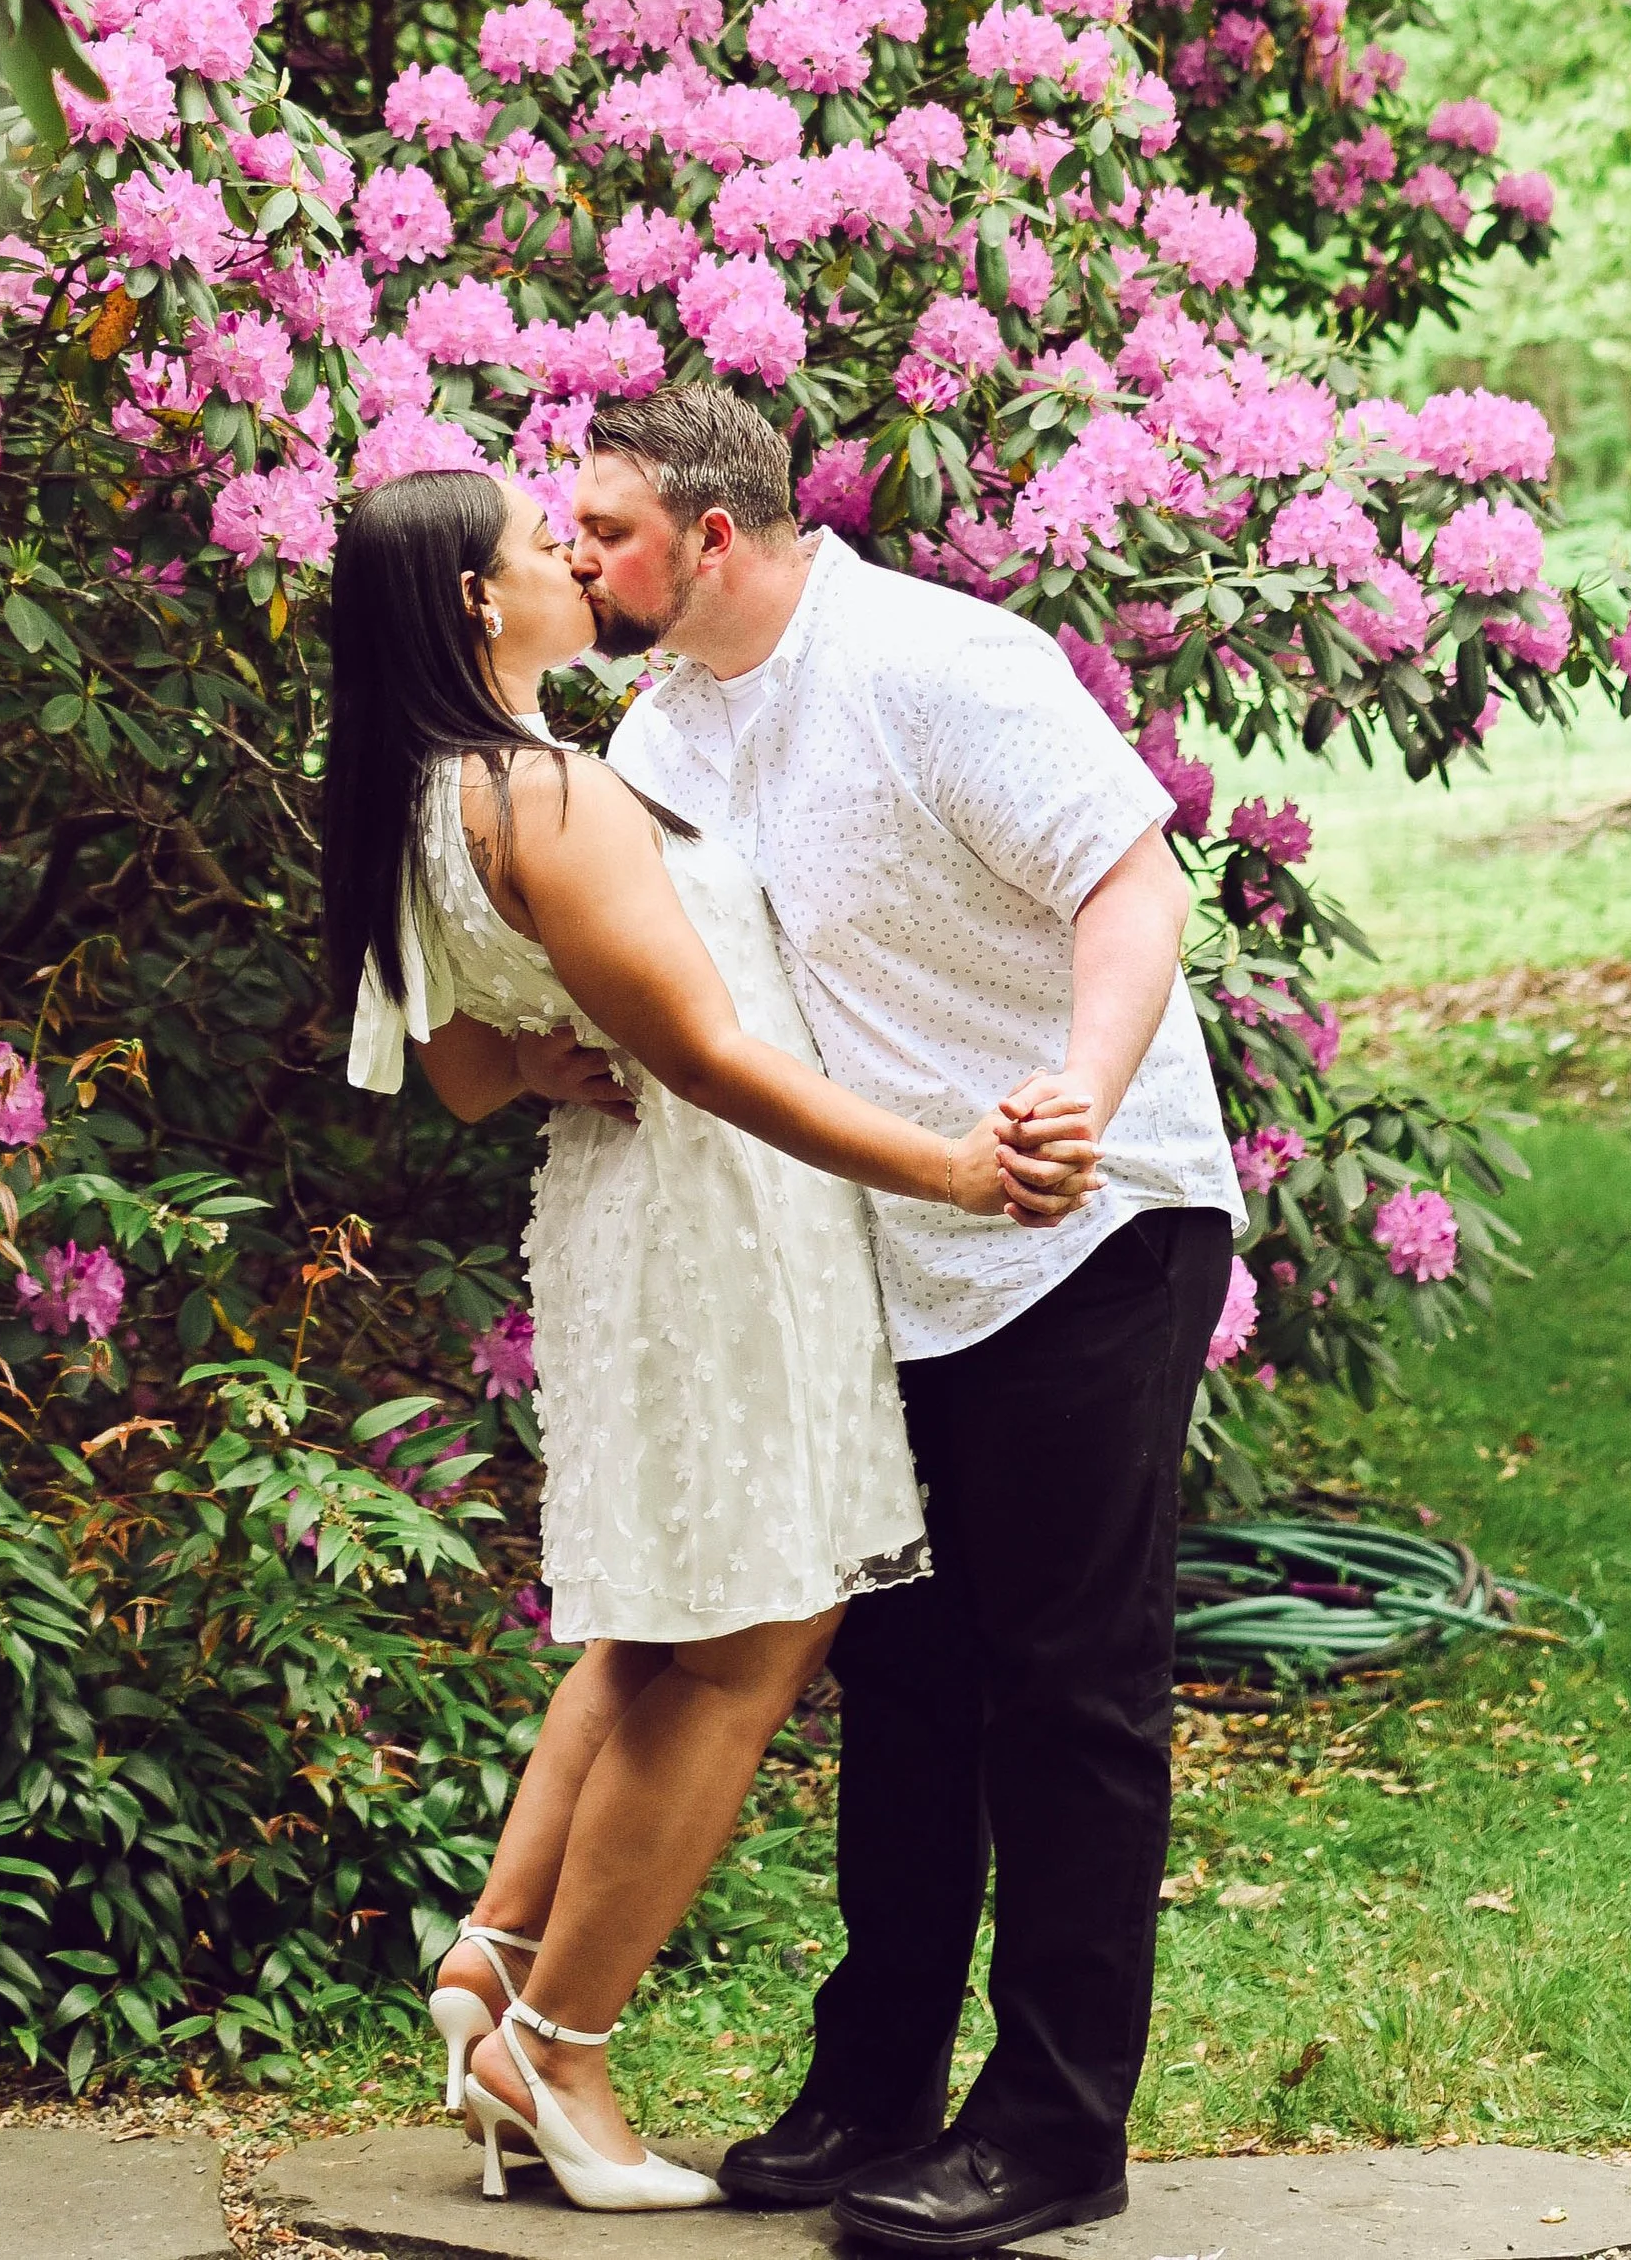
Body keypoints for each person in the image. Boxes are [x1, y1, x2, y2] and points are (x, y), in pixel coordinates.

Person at [323, 466, 1095, 2216]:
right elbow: (716, 1056)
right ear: (471, 603)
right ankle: (560, 2037)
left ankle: (496, 1953)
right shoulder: (552, 793)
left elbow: (456, 1066)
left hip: (629, 1225)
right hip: (722, 1232)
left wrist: (541, 1053)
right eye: (543, 545)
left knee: (661, 1616)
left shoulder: (419, 799)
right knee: (755, 1638)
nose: (574, 559)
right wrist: (953, 1163)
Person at [570, 384, 1242, 2255]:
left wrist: (1078, 1100)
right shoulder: (668, 728)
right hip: (902, 1258)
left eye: (607, 529)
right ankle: (873, 2083)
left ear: (715, 537)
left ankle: (1051, 2129)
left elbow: (1133, 880)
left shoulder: (940, 664)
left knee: (1066, 1687)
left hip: (1088, 1226)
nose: (576, 558)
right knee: (908, 1687)